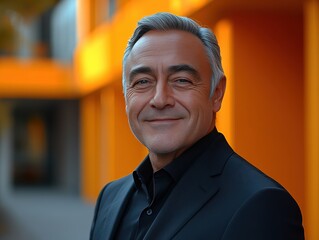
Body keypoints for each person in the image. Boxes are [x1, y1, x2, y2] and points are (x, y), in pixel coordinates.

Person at [90, 12, 304, 240]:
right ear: (126, 96)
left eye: (181, 80)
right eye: (143, 82)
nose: (160, 99)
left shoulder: (262, 206)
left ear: (217, 93)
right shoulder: (110, 198)